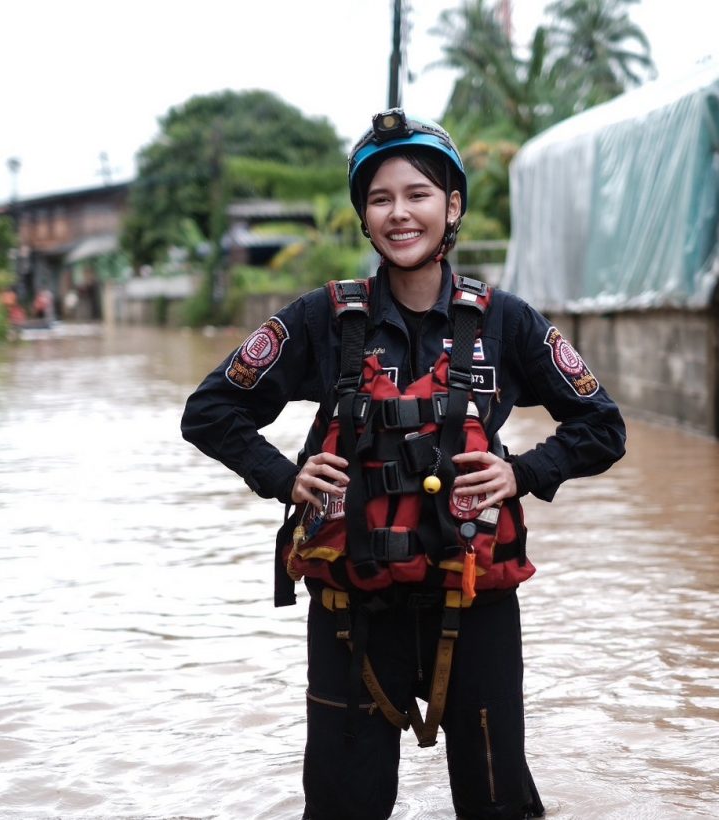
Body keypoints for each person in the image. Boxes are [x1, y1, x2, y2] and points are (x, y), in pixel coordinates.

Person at [181, 108, 626, 820]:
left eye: (418, 194)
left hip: (475, 604)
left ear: (452, 207)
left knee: (497, 807)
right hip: (352, 615)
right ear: (363, 216)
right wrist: (284, 477)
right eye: (380, 198)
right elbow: (210, 411)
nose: (399, 213)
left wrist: (523, 472)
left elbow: (602, 426)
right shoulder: (322, 320)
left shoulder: (507, 321)